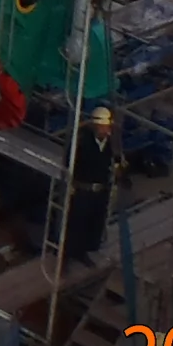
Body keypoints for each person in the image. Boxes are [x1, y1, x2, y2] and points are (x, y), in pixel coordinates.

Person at [65, 102, 120, 262]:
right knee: (77, 223)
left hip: (101, 190)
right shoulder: (82, 143)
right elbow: (70, 163)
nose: (106, 130)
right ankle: (67, 255)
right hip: (84, 189)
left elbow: (114, 161)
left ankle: (84, 252)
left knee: (94, 223)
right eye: (103, 126)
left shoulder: (109, 144)